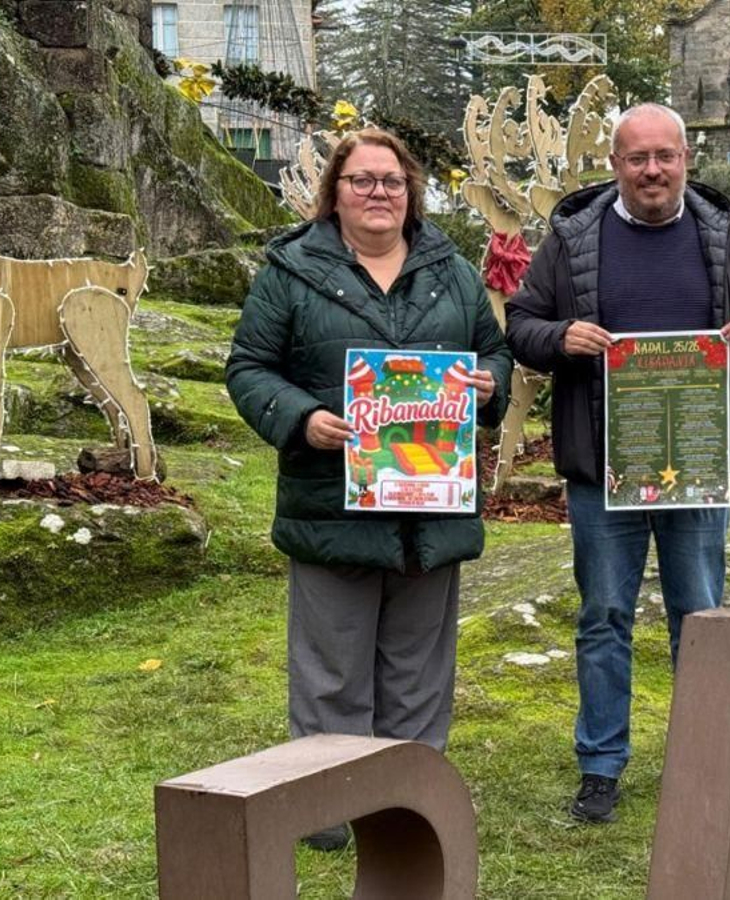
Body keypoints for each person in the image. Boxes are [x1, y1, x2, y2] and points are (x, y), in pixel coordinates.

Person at [504, 103, 730, 823]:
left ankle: (708, 757)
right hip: (603, 468)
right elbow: (520, 323)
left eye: (665, 156)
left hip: (694, 463)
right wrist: (560, 337)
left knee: (700, 616)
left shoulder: (725, 233)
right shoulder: (573, 237)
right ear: (615, 165)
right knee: (604, 615)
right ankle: (601, 764)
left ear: (686, 159)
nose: (653, 170)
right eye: (637, 158)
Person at [226, 128, 512, 849]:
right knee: (332, 668)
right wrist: (302, 417)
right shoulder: (290, 270)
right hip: (332, 504)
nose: (378, 193)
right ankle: (323, 810)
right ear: (336, 192)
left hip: (430, 510)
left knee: (419, 674)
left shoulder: (452, 272)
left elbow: (494, 351)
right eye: (362, 180)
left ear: (410, 192)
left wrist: (488, 384)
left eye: (392, 181)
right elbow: (249, 367)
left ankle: (406, 807)